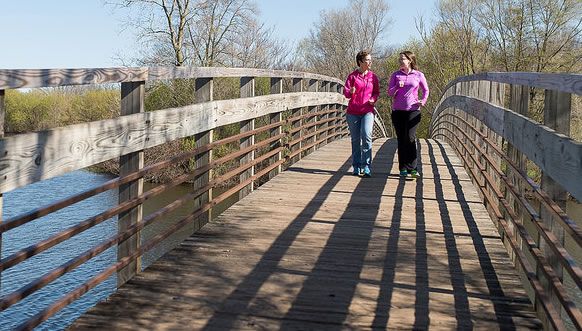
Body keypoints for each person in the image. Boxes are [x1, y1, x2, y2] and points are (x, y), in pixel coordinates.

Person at [387, 51, 429, 178]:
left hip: (413, 111)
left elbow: (426, 90)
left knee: (410, 138)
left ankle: (414, 168)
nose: (400, 61)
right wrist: (396, 87)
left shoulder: (418, 75)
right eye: (399, 59)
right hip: (398, 112)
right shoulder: (396, 75)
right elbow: (389, 92)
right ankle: (403, 168)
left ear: (410, 61)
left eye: (402, 59)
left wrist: (423, 101)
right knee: (401, 139)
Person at [343, 50, 380, 177]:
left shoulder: (373, 77)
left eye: (370, 60)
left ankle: (367, 166)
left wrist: (373, 99)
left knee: (366, 135)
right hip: (353, 112)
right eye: (367, 60)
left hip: (368, 111)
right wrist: (351, 92)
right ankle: (356, 166)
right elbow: (346, 93)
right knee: (355, 139)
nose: (370, 62)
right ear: (360, 62)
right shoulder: (352, 76)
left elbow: (376, 92)